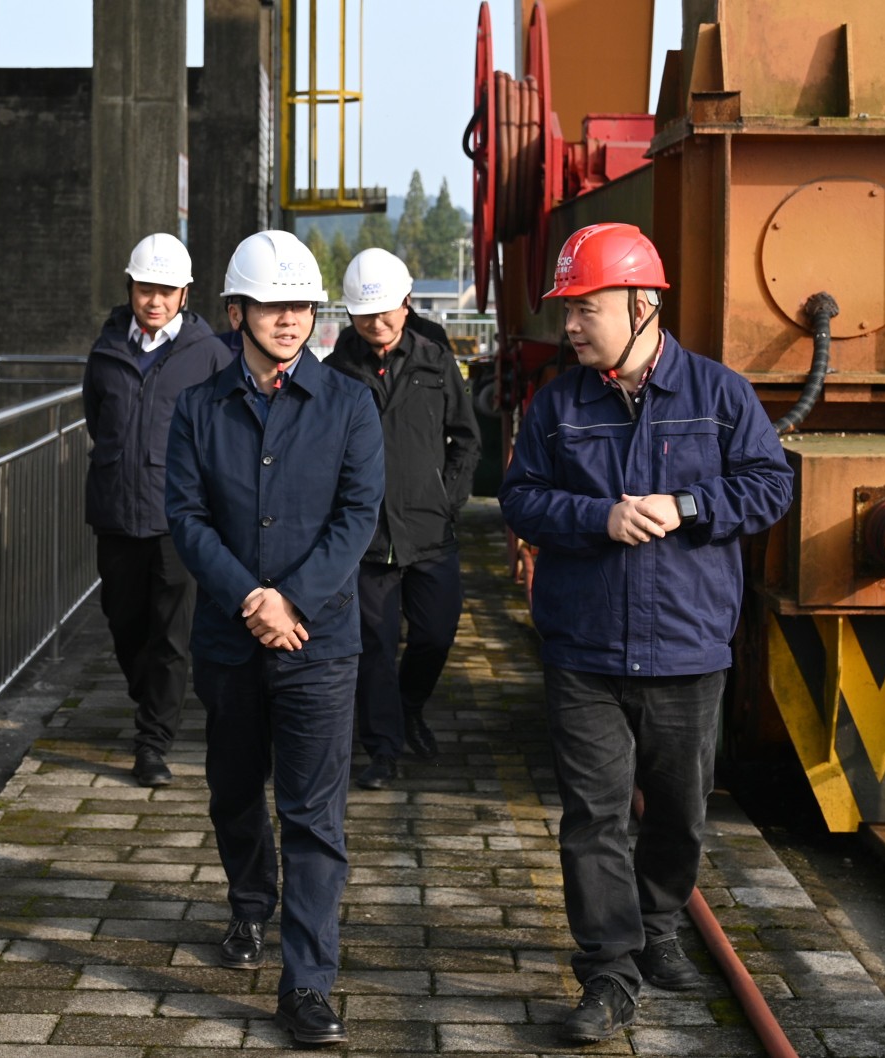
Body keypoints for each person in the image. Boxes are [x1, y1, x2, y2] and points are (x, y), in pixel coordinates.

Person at [498, 223, 793, 1044]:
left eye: (584, 309)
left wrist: (688, 505)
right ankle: (610, 971)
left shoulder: (719, 395)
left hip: (686, 649)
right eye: (567, 310)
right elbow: (520, 499)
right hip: (585, 650)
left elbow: (771, 487)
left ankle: (659, 925)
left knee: (678, 813)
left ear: (641, 305)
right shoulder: (558, 405)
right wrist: (599, 517)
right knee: (592, 819)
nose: (569, 326)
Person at [164, 229, 384, 1047]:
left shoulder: (350, 405)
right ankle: (250, 903)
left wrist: (290, 601)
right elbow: (186, 517)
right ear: (236, 313)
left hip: (318, 646)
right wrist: (250, 598)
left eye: (300, 306)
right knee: (232, 791)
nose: (289, 320)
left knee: (314, 815)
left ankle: (308, 984)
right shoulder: (198, 408)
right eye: (271, 306)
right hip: (228, 643)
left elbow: (357, 516)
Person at [82, 233, 234, 788]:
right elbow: (97, 417)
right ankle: (150, 698)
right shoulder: (106, 348)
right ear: (131, 288)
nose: (155, 301)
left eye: (167, 291)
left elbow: (223, 433)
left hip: (178, 519)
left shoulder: (209, 354)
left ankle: (153, 743)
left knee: (172, 635)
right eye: (146, 289)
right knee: (124, 622)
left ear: (185, 294)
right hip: (116, 512)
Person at [326, 248, 481, 789]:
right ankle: (383, 750)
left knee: (436, 633)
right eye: (364, 314)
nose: (376, 323)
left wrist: (447, 499)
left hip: (430, 530)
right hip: (366, 538)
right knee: (374, 646)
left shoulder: (435, 361)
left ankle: (408, 705)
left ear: (407, 303)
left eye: (385, 311)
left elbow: (466, 440)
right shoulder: (335, 372)